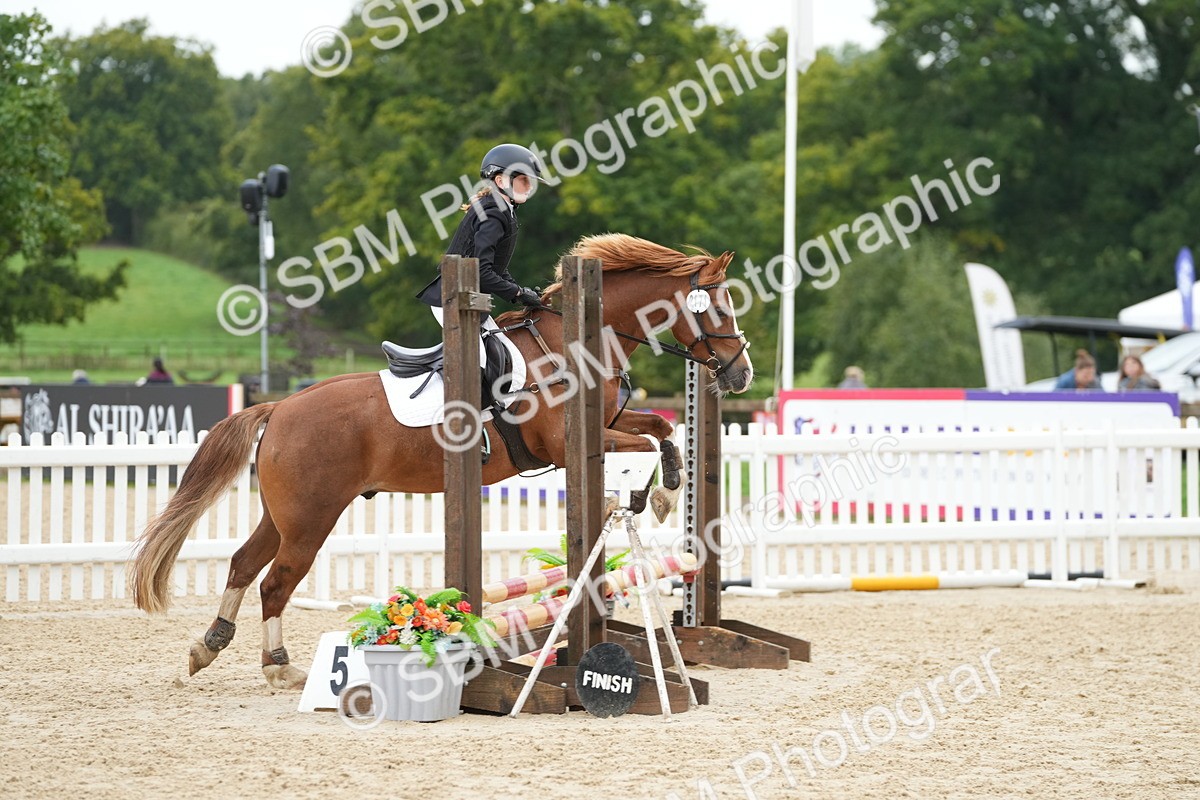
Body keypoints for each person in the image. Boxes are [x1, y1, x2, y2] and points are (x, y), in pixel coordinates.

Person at [416, 143, 548, 312]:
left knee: (503, 340)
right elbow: (482, 271)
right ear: (500, 181)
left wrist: (521, 291)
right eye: (524, 180)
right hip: (453, 301)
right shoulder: (493, 214)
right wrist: (517, 293)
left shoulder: (502, 210)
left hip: (470, 299)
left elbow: (495, 266)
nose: (530, 186)